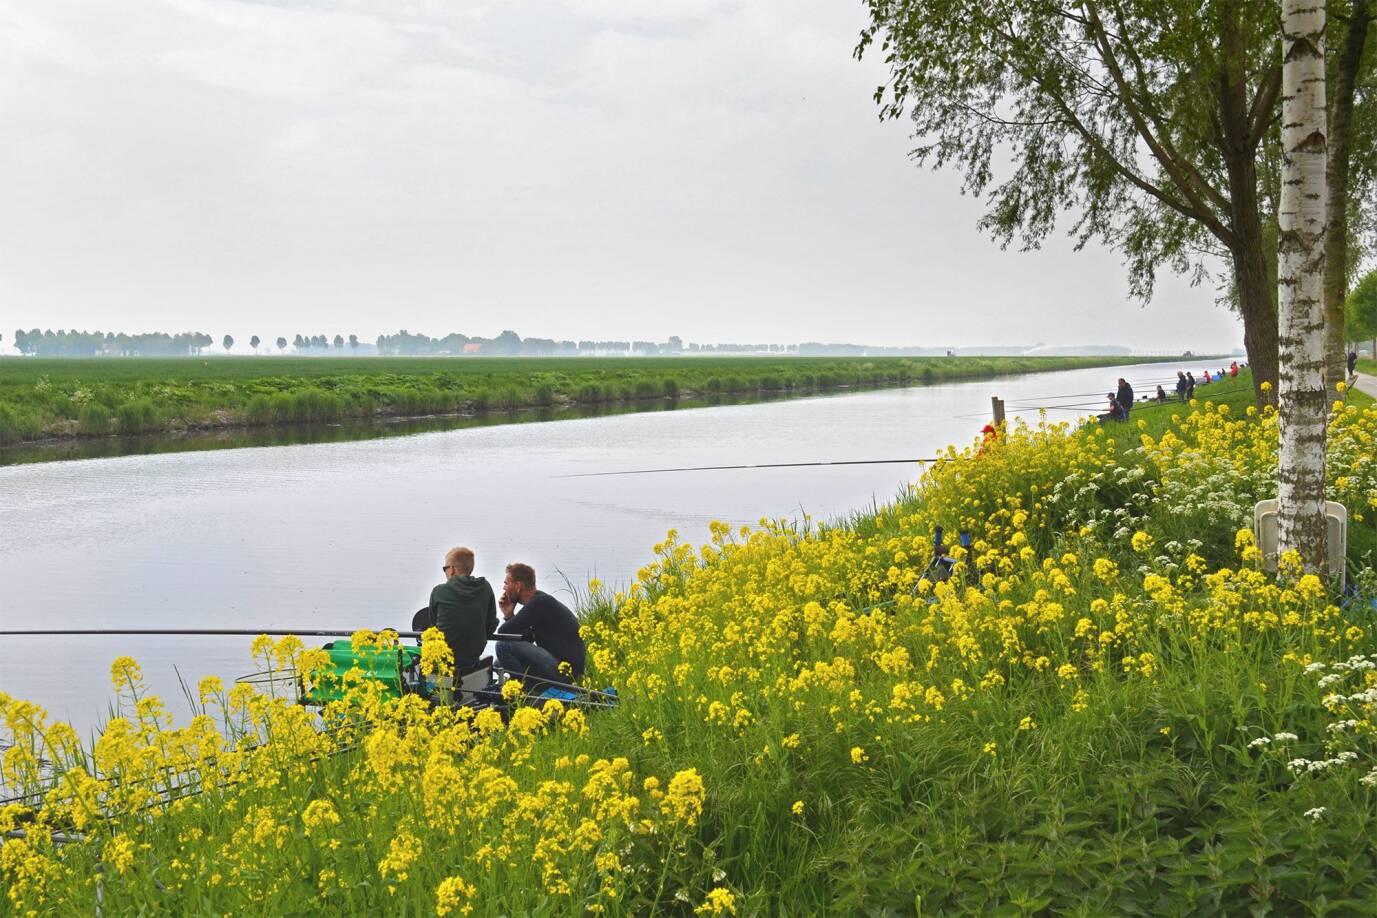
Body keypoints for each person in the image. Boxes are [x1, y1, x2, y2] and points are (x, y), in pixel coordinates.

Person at [497, 562, 586, 686]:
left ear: (518, 586)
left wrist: (508, 617)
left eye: (506, 583)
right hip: (562, 667)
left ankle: (526, 690)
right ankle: (523, 686)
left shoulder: (540, 603)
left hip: (565, 672)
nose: (504, 588)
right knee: (498, 663)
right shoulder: (539, 601)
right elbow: (526, 638)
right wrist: (510, 615)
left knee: (503, 646)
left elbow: (503, 635)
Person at [422, 546, 498, 673]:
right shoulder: (485, 588)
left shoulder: (439, 591)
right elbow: (491, 625)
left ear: (451, 570)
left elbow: (433, 625)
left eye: (445, 568)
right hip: (473, 657)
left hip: (444, 658)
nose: (445, 572)